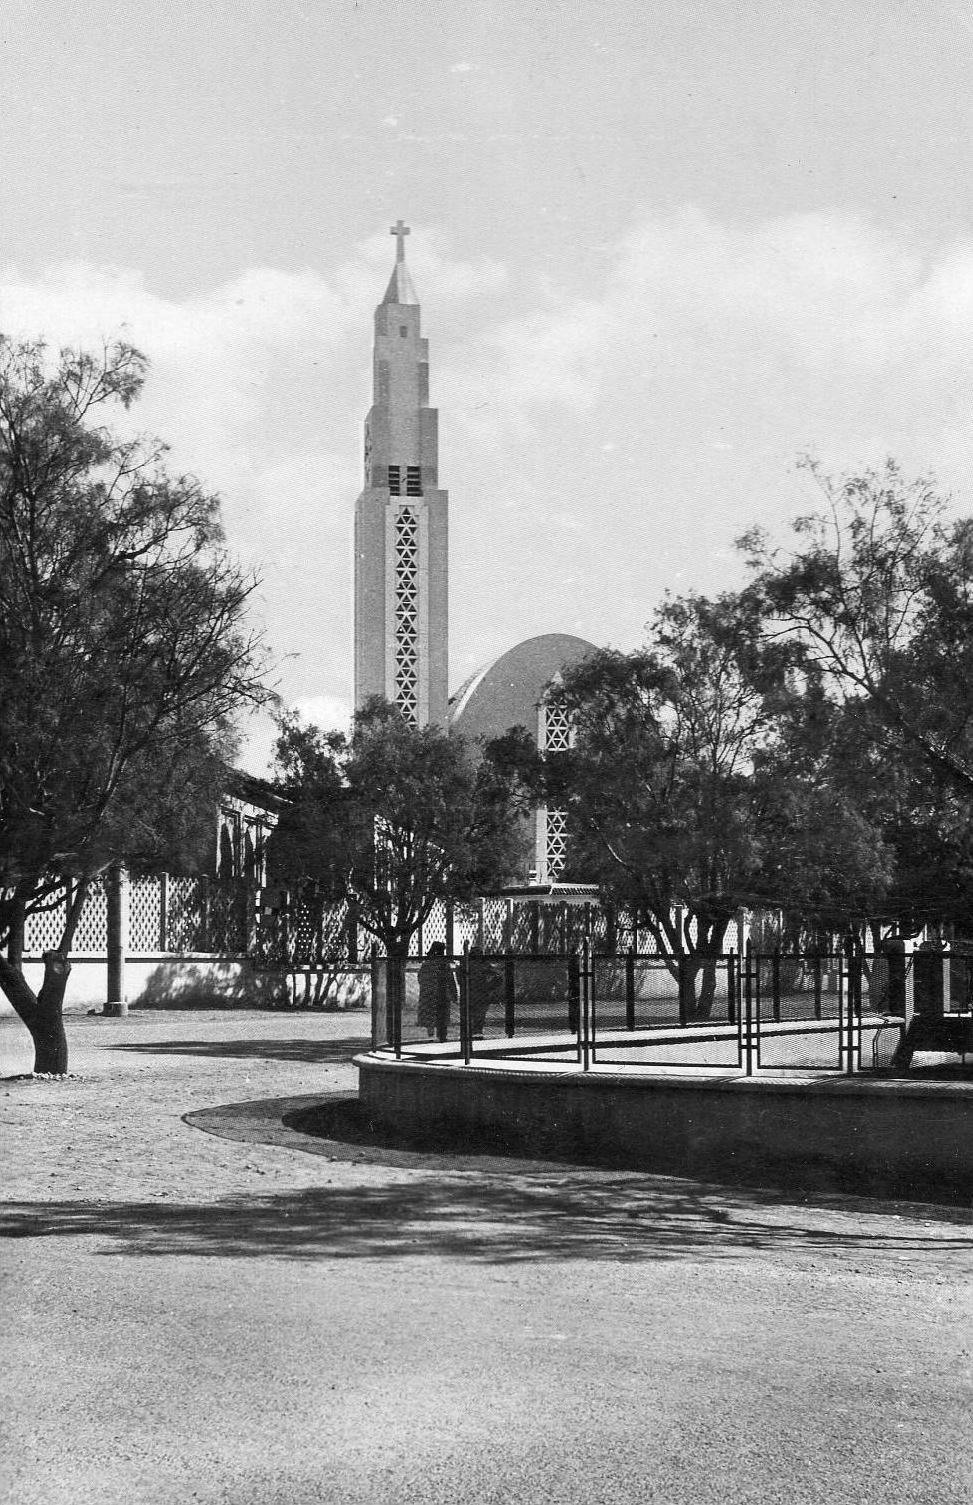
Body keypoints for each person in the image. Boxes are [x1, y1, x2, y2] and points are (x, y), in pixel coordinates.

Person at [416, 942, 457, 1043]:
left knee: (430, 1014)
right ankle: (441, 1036)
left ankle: (431, 1035)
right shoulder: (444, 964)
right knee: (442, 1015)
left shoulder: (426, 964)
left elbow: (420, 979)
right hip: (441, 993)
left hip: (429, 993)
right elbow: (450, 980)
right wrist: (454, 994)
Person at [468, 946, 503, 1038]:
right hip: (482, 991)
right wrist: (490, 986)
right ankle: (477, 1031)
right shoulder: (484, 965)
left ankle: (470, 1031)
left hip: (470, 991)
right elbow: (498, 975)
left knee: (470, 1012)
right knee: (480, 1012)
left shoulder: (467, 964)